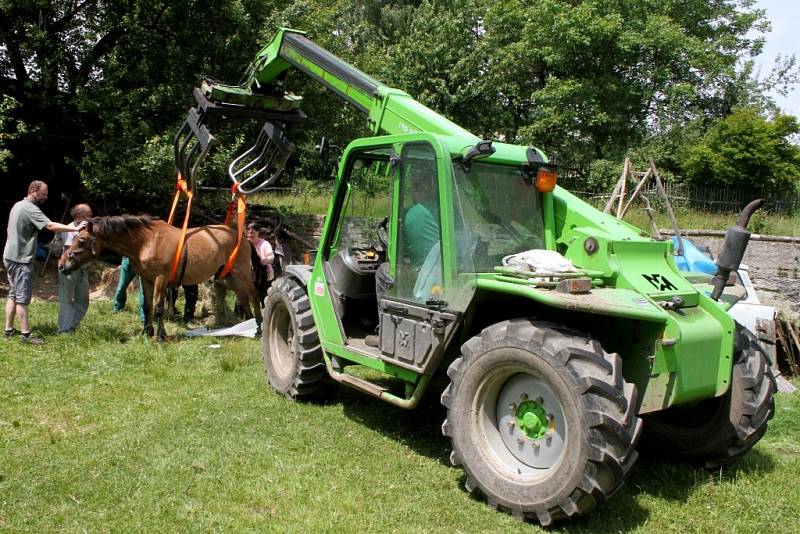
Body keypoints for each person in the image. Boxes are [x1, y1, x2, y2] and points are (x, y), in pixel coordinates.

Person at [4, 181, 87, 344]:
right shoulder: (30, 208)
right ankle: (26, 335)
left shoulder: (18, 205)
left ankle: (8, 330)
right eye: (44, 193)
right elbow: (49, 225)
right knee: (22, 297)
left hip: (9, 255)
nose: (46, 197)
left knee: (13, 293)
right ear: (33, 191)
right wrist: (76, 229)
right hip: (20, 259)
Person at [57, 203, 92, 333]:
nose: (90, 218)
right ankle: (64, 330)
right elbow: (69, 249)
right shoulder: (68, 228)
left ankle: (71, 326)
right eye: (88, 215)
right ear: (78, 215)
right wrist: (77, 231)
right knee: (67, 300)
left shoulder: (87, 229)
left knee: (83, 302)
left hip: (83, 269)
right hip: (69, 269)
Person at [246, 222, 275, 304]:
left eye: (252, 233)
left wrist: (264, 260)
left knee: (264, 297)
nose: (249, 235)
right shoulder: (245, 245)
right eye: (248, 233)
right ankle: (239, 315)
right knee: (243, 297)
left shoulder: (264, 244)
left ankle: (266, 313)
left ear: (258, 232)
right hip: (248, 276)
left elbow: (271, 258)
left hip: (263, 276)